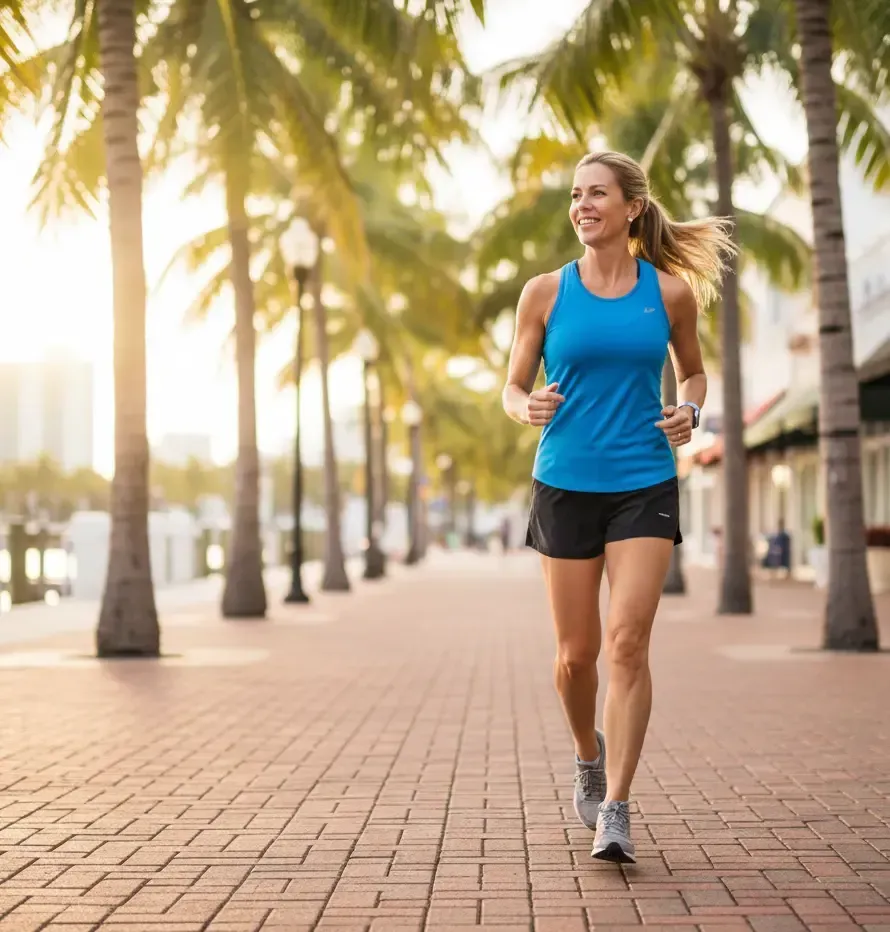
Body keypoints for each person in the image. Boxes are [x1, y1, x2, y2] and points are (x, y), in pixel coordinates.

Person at [502, 150, 734, 864]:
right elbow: (512, 387)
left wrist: (689, 409)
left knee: (628, 642)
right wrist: (526, 406)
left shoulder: (668, 295)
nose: (583, 206)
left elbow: (693, 371)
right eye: (576, 195)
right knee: (576, 659)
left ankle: (618, 806)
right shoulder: (544, 293)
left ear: (632, 207)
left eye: (596, 193)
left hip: (643, 482)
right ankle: (586, 754)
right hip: (566, 483)